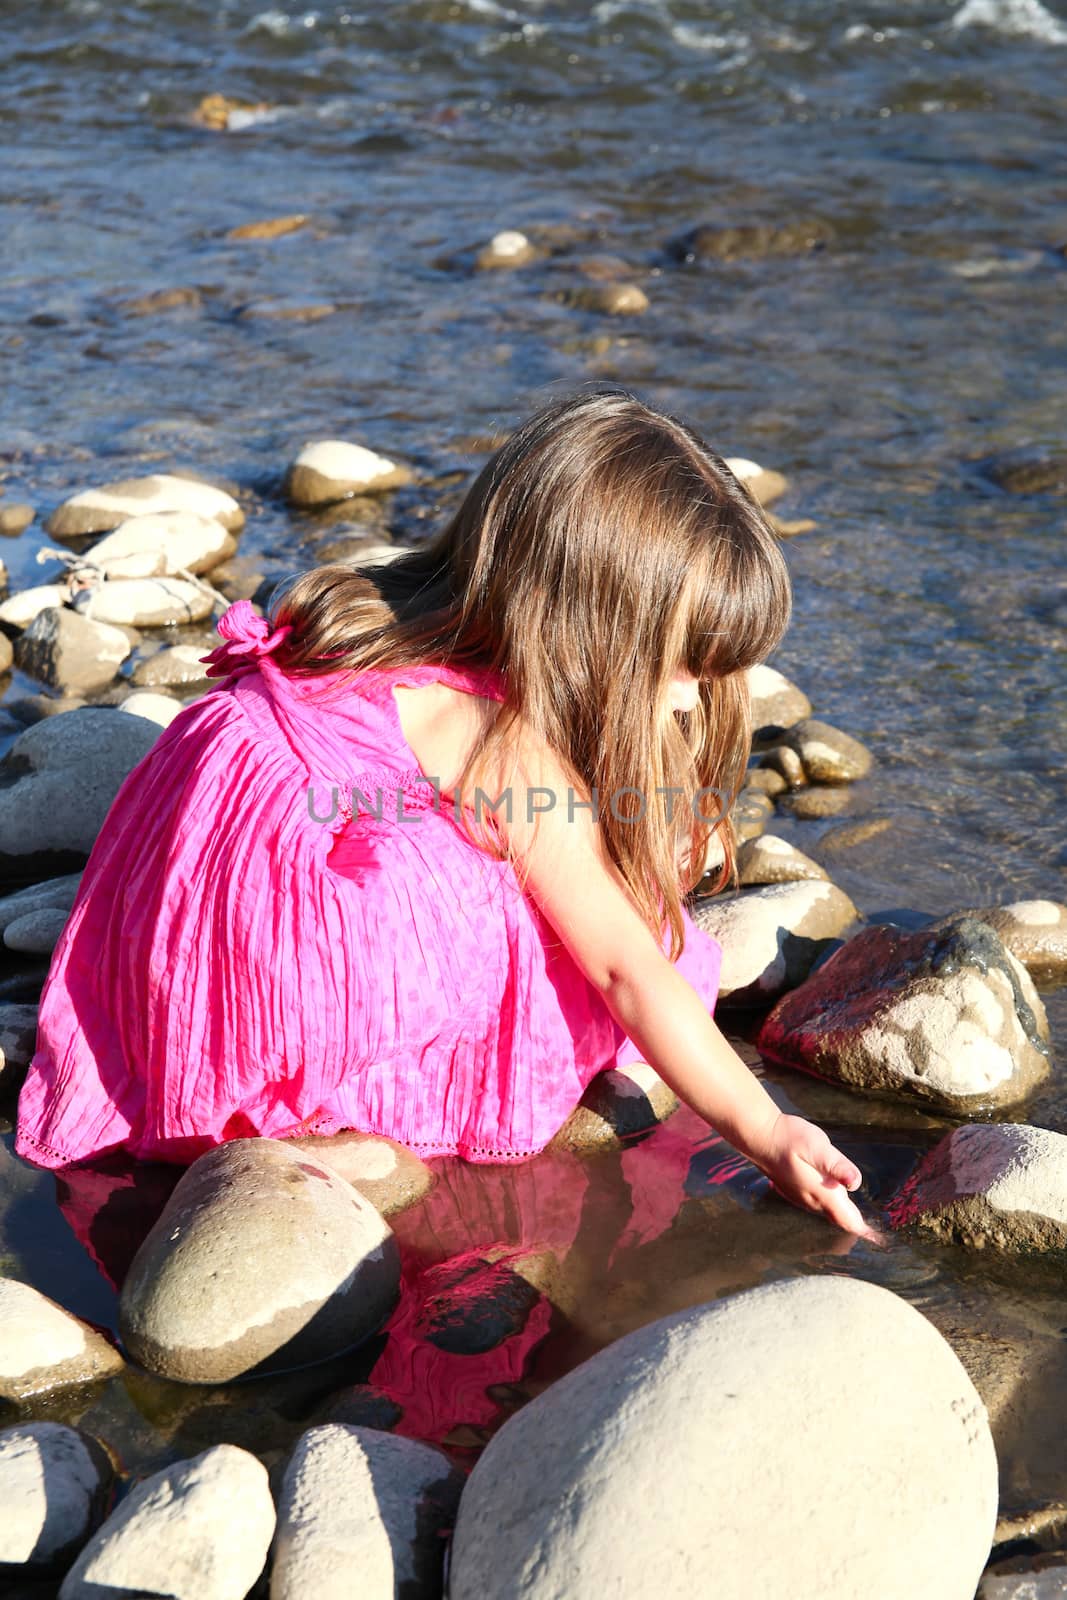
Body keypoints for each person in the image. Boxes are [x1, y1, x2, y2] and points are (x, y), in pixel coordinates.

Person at [15, 384, 876, 1240]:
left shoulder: (364, 613)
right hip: (271, 1031)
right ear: (583, 628)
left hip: (182, 954)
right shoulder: (501, 742)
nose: (690, 702)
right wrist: (767, 1130)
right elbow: (622, 971)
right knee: (559, 941)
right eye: (681, 666)